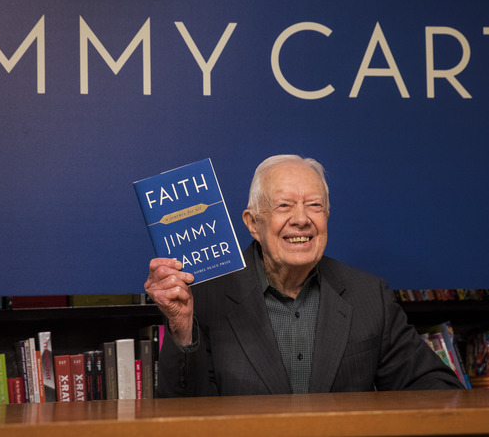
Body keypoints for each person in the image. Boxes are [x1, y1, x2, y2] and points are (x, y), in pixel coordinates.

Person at [144, 154, 463, 396]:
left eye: (314, 205)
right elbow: (181, 407)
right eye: (284, 205)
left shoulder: (368, 294)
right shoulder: (204, 295)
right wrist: (183, 329)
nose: (302, 219)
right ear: (253, 223)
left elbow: (434, 385)